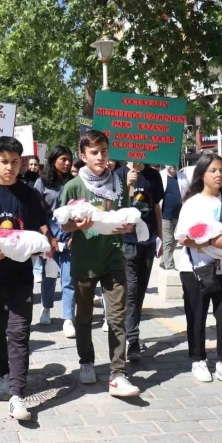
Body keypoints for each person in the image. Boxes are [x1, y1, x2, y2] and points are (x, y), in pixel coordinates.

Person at [0, 136, 57, 421]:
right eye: (4, 161)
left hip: (20, 277)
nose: (10, 167)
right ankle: (3, 372)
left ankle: (17, 392)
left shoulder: (29, 195)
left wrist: (48, 244)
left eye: (16, 162)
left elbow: (38, 229)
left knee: (18, 333)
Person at [61, 130, 140, 397]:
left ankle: (118, 374)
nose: (100, 156)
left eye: (104, 151)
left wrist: (126, 226)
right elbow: (63, 223)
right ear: (83, 156)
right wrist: (78, 225)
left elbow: (125, 215)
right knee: (83, 317)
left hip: (114, 259)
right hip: (84, 261)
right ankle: (86, 361)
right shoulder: (73, 186)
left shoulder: (118, 184)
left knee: (117, 318)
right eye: (94, 152)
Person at [176, 153, 222, 389]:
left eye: (221, 171)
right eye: (213, 170)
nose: (218, 175)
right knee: (196, 315)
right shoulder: (192, 203)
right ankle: (198, 359)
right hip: (196, 269)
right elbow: (182, 237)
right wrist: (209, 244)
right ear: (202, 175)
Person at [114, 162, 164, 362]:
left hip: (148, 241)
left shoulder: (154, 175)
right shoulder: (118, 174)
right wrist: (128, 187)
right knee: (131, 291)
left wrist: (160, 237)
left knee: (140, 290)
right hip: (127, 242)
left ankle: (131, 333)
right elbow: (114, 208)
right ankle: (131, 340)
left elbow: (156, 208)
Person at [33, 146, 76, 338]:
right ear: (53, 161)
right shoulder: (41, 183)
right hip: (48, 234)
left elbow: (80, 211)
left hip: (69, 237)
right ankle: (46, 308)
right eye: (63, 159)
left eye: (69, 160)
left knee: (69, 279)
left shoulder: (74, 183)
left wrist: (75, 236)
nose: (67, 163)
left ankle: (68, 318)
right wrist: (48, 237)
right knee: (49, 276)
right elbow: (37, 214)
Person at [159, 165, 189, 270]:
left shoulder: (183, 177)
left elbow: (188, 193)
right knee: (167, 240)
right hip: (165, 215)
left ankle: (164, 261)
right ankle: (169, 266)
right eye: (169, 163)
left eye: (174, 163)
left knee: (175, 239)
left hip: (179, 215)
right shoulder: (161, 176)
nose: (172, 166)